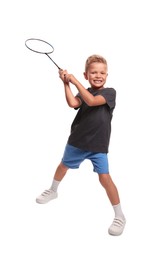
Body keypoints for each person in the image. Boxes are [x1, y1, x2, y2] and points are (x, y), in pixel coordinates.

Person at [36, 54, 126, 236]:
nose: (98, 75)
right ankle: (53, 190)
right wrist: (66, 83)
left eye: (102, 72)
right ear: (87, 75)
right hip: (77, 141)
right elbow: (73, 103)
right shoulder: (84, 91)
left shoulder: (109, 93)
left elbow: (92, 102)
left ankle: (120, 215)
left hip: (98, 146)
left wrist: (75, 80)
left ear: (107, 75)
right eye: (93, 72)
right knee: (63, 166)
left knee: (105, 178)